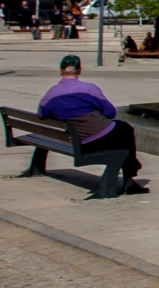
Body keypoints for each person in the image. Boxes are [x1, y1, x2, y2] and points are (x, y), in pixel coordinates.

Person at [38, 55, 147, 193]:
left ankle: (130, 174)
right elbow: (110, 112)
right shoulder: (89, 89)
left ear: (60, 71)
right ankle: (130, 178)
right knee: (124, 130)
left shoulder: (51, 94)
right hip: (96, 139)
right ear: (80, 70)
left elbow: (41, 114)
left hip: (75, 140)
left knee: (122, 131)